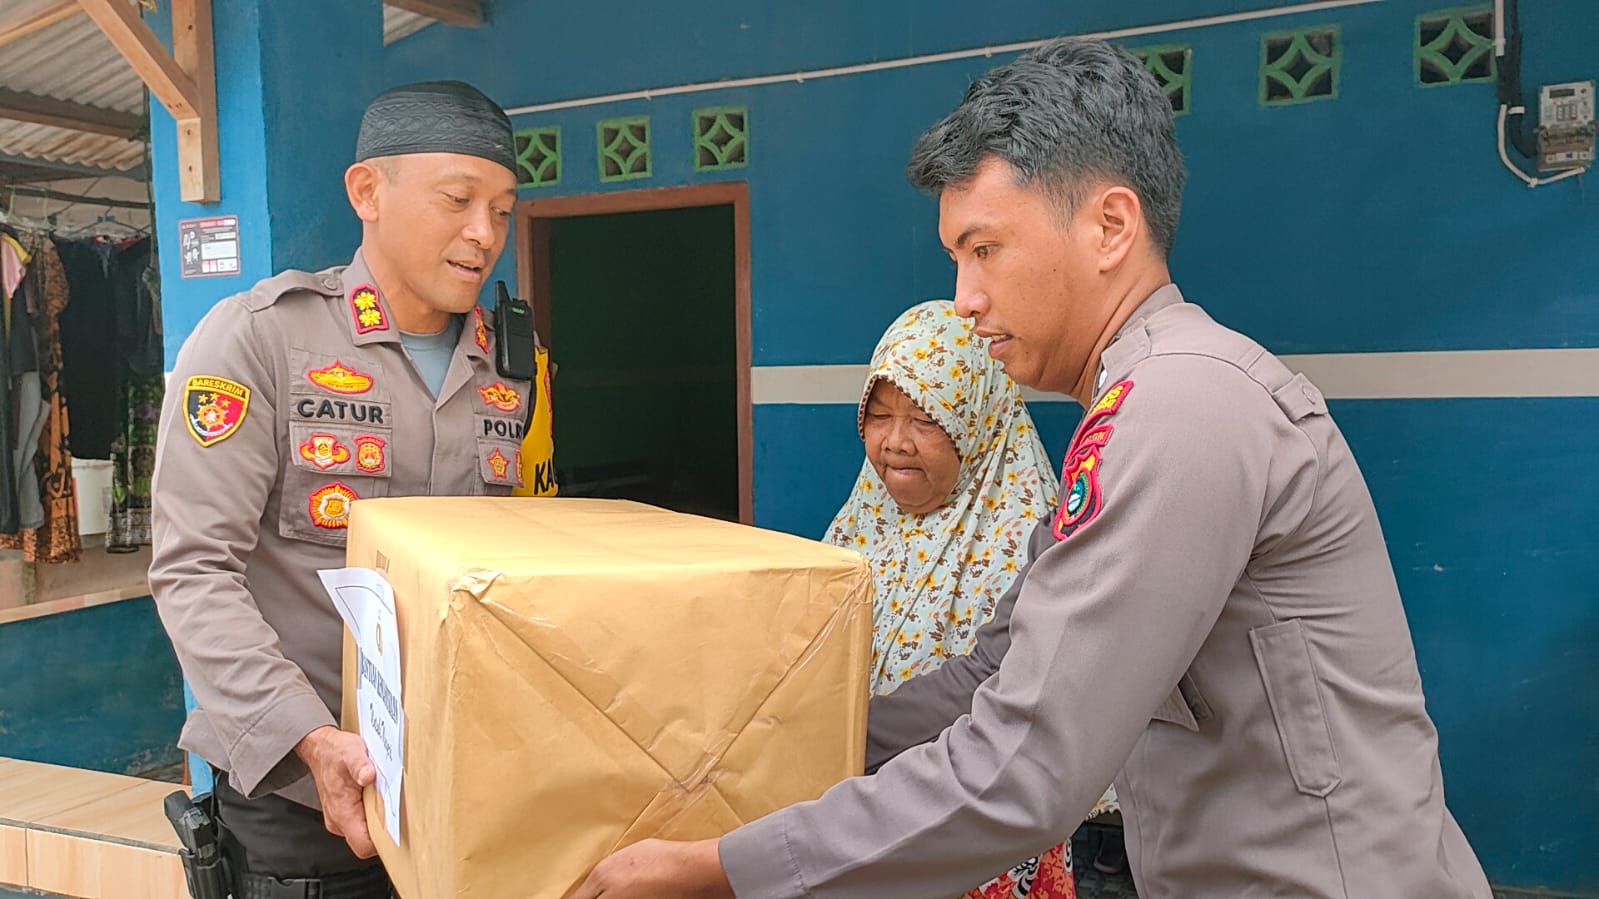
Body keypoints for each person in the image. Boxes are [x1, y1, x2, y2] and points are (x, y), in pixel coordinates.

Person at [571, 37, 1492, 899]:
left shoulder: (1178, 406)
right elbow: (995, 671)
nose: (964, 299)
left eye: (984, 250)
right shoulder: (1140, 402)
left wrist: (722, 866)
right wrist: (770, 738)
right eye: (955, 258)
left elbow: (1026, 767)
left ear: (1108, 227)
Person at [149, 80, 535, 898]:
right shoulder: (261, 338)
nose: (484, 234)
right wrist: (311, 740)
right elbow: (193, 571)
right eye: (459, 200)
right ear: (368, 191)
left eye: (502, 209)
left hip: (463, 785)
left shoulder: (513, 364)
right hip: (297, 801)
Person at [826, 299, 1115, 899]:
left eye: (926, 420)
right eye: (878, 416)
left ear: (976, 421)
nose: (895, 443)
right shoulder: (861, 523)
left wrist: (835, 736)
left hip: (970, 831)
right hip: (856, 811)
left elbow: (993, 690)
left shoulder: (1026, 537)